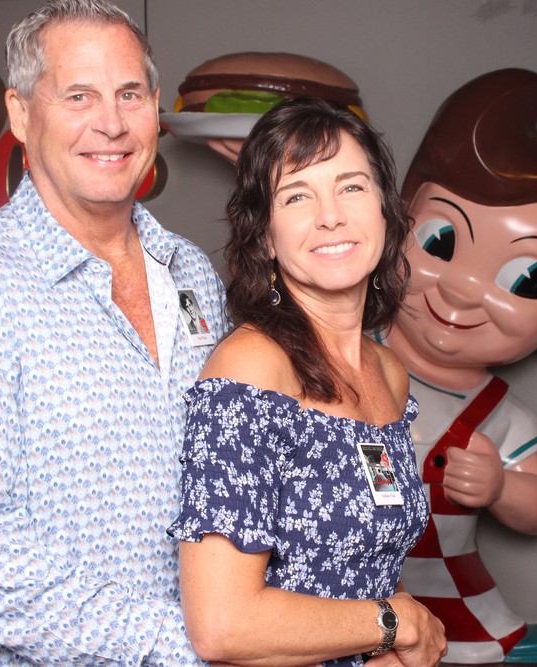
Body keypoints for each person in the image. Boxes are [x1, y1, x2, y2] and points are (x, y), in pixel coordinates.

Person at [0, 1, 226, 664]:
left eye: (130, 94)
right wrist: (182, 641)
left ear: (156, 107)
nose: (111, 123)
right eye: (79, 96)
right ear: (19, 115)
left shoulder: (191, 272)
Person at [167, 97, 447, 667]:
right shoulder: (250, 370)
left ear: (385, 212)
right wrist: (396, 624)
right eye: (297, 196)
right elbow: (222, 626)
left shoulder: (388, 372)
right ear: (266, 236)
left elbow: (364, 560)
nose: (331, 217)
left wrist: (390, 642)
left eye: (352, 187)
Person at [383, 69, 537, 664]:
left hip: (449, 601)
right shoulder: (343, 353)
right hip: (337, 595)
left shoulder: (501, 417)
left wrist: (501, 486)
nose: (462, 289)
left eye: (524, 277)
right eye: (439, 241)